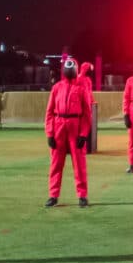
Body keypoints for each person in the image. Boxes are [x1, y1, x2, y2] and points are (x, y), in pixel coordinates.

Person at [45, 57, 91, 206]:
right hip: (59, 126)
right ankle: (53, 195)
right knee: (56, 163)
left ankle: (82, 195)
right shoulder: (57, 87)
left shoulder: (82, 89)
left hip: (75, 126)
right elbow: (50, 112)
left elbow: (86, 114)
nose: (69, 70)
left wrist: (84, 134)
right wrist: (50, 133)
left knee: (79, 163)